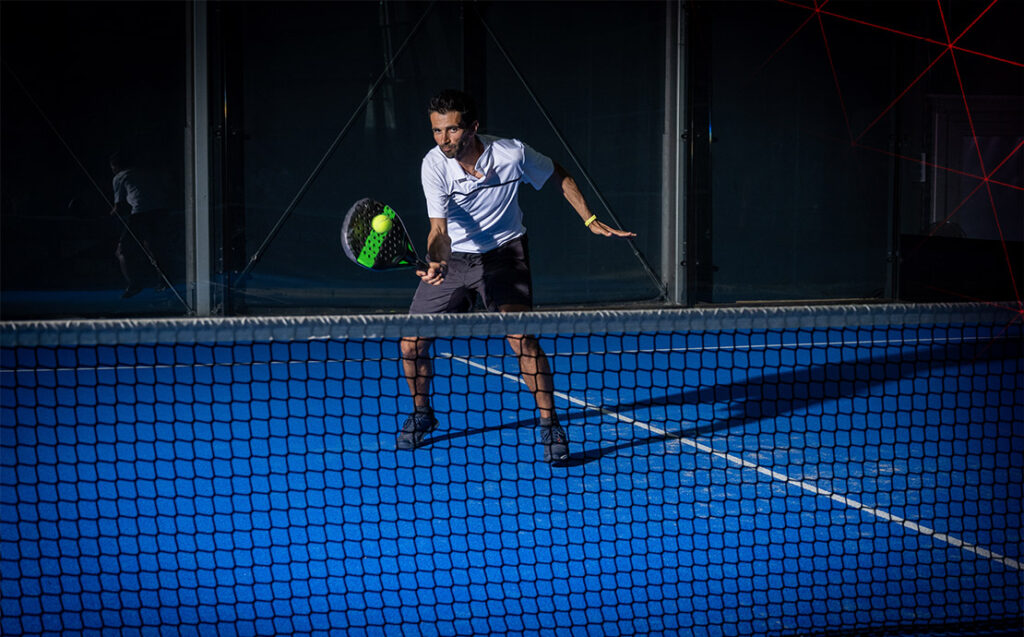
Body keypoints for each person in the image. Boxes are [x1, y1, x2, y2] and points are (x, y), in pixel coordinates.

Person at [398, 89, 636, 463]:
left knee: (522, 338)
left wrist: (589, 218)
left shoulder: (512, 154)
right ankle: (422, 413)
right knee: (410, 345)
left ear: (472, 128)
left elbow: (556, 173)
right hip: (454, 259)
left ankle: (550, 424)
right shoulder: (433, 165)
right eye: (437, 131)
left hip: (504, 255)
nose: (444, 139)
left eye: (452, 129)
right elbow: (439, 230)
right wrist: (438, 261)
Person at [109, 151, 174, 298]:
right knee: (153, 247)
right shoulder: (145, 173)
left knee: (122, 250)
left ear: (115, 166)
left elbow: (119, 207)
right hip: (161, 212)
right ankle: (164, 281)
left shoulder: (119, 177)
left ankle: (133, 285)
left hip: (141, 213)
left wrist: (106, 216)